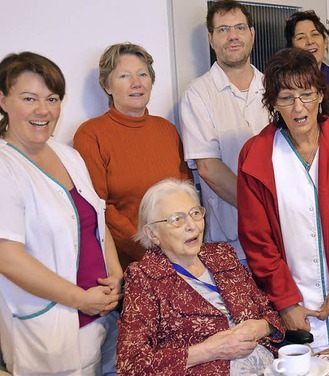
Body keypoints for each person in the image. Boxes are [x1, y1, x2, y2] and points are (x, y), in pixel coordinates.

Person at [237, 48, 329, 351]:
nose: (298, 107)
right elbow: (257, 241)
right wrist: (285, 303)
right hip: (298, 315)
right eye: (286, 98)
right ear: (273, 103)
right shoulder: (255, 156)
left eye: (306, 94)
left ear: (320, 95)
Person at [0, 52, 122, 374]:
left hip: (99, 317)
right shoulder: (4, 165)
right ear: (3, 100)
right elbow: (6, 256)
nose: (43, 110)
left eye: (52, 98)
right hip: (47, 331)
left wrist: (115, 273)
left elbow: (97, 220)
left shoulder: (68, 156)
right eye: (29, 98)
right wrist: (79, 299)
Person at [116, 179, 284, 375]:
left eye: (195, 213)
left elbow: (270, 313)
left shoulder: (222, 255)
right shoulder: (144, 278)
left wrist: (261, 328)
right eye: (176, 219)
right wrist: (208, 351)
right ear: (152, 234)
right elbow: (130, 364)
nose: (192, 226)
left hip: (272, 368)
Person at [74, 43, 190, 271]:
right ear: (107, 85)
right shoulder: (90, 134)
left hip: (179, 257)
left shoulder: (166, 129)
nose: (136, 83)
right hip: (128, 265)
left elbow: (185, 192)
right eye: (125, 76)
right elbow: (99, 207)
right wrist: (148, 250)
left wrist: (181, 244)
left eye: (143, 74)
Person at [180, 0, 269, 265]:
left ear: (252, 33)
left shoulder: (274, 88)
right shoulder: (198, 93)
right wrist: (260, 209)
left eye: (240, 27)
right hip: (230, 241)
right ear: (211, 39)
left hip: (280, 232)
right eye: (223, 30)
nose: (233, 36)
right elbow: (208, 167)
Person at [284, 10, 329, 88]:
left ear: (325, 42)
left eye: (315, 34)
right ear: (291, 47)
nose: (310, 41)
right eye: (301, 37)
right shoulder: (285, 82)